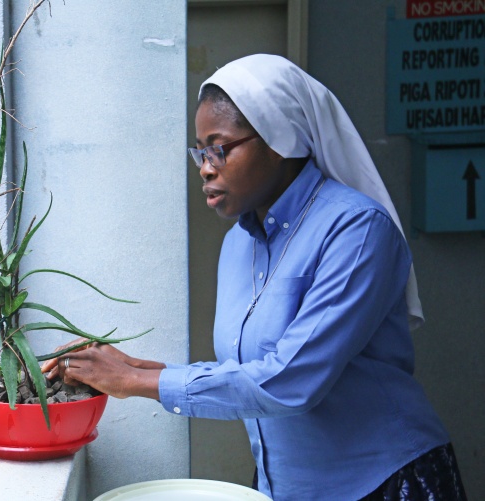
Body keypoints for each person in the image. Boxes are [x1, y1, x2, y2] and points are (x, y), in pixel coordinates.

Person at [41, 54, 466, 500]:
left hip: (386, 484)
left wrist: (133, 382)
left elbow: (290, 379)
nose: (205, 167)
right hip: (281, 489)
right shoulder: (237, 245)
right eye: (199, 151)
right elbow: (248, 373)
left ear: (279, 139)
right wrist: (122, 367)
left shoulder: (357, 230)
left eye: (219, 147)